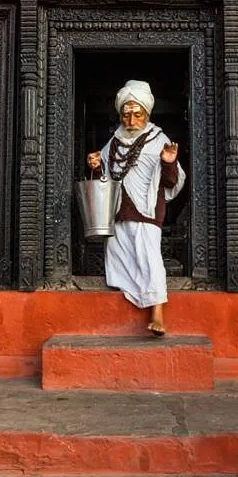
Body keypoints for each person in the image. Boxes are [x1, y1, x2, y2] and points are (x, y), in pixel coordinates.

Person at [87, 80, 185, 336]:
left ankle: (157, 312)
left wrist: (169, 163)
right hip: (118, 212)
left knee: (149, 258)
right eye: (126, 114)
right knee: (119, 258)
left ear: (147, 114)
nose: (131, 119)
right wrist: (97, 166)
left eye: (137, 114)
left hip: (147, 211)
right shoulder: (113, 143)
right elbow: (105, 183)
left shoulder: (158, 140)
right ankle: (135, 295)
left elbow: (171, 183)